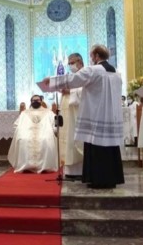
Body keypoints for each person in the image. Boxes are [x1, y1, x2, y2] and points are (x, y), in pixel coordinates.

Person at [42, 44, 124, 189]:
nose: (91, 59)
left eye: (92, 56)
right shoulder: (116, 73)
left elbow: (74, 79)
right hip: (111, 116)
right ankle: (111, 178)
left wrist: (52, 81)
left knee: (97, 147)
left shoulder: (94, 70)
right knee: (110, 148)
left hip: (97, 116)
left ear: (97, 56)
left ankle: (98, 180)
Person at [8, 95, 58, 173]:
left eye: (37, 100)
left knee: (46, 139)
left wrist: (53, 130)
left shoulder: (49, 112)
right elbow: (16, 125)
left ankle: (45, 166)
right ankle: (25, 165)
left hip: (44, 133)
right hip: (27, 133)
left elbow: (55, 124)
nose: (35, 102)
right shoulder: (24, 113)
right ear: (31, 102)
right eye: (33, 100)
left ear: (41, 101)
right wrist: (21, 131)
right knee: (23, 139)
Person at [60, 53, 84, 180]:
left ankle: (79, 170)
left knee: (76, 140)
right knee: (67, 139)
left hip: (78, 113)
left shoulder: (85, 73)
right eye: (69, 63)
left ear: (80, 62)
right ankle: (69, 170)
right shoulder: (71, 76)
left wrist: (70, 91)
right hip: (68, 112)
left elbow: (85, 91)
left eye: (72, 62)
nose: (70, 65)